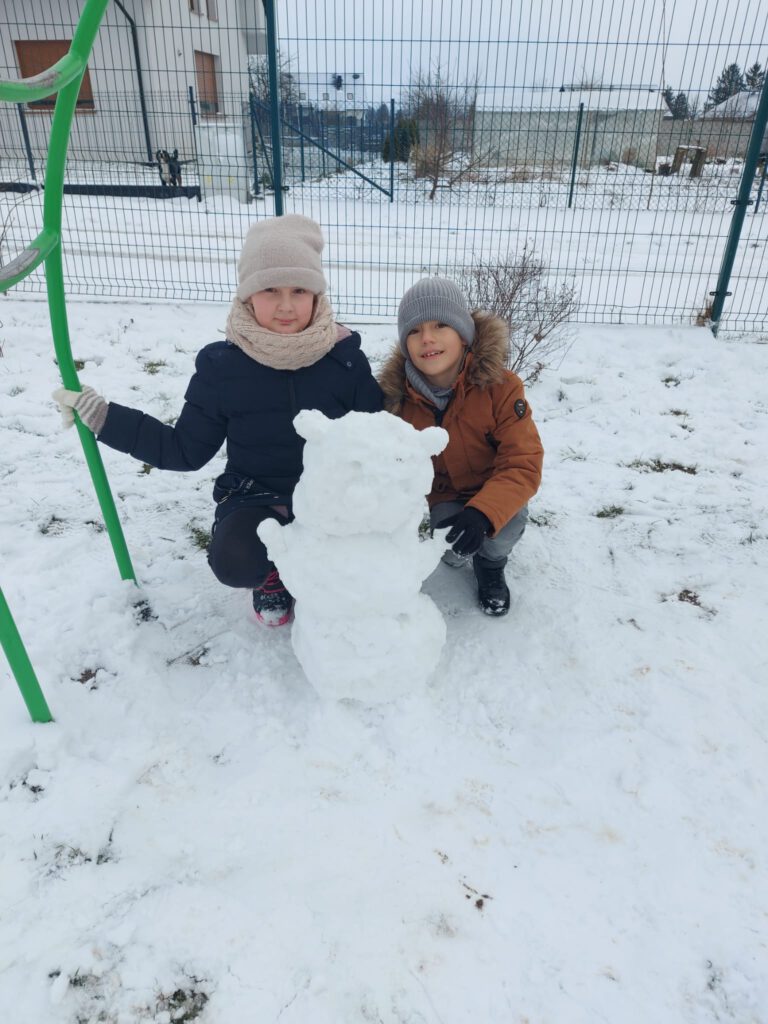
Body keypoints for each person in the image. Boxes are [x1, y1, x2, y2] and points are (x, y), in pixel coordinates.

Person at [53, 215, 383, 626]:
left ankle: (320, 571)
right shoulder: (222, 367)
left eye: (299, 290)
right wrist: (105, 418)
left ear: (317, 296)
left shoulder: (345, 360)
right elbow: (185, 449)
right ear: (248, 296)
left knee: (360, 560)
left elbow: (379, 436)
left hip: (332, 496)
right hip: (256, 496)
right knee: (235, 560)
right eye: (269, 290)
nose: (285, 305)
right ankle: (272, 575)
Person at [379, 277, 544, 616]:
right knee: (451, 542)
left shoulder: (501, 388)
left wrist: (483, 513)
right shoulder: (396, 401)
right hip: (445, 497)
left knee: (505, 526)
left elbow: (522, 461)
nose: (427, 338)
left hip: (493, 489)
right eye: (414, 330)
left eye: (441, 325)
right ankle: (459, 549)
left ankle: (491, 565)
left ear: (463, 334)